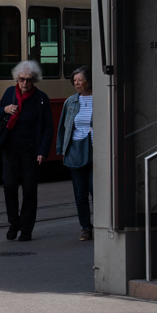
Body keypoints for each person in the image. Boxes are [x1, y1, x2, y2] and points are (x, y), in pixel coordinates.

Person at [0, 60, 52, 242]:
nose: (25, 83)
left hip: (31, 150)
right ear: (16, 79)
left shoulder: (41, 98)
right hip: (10, 149)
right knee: (9, 185)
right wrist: (5, 109)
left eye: (28, 79)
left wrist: (43, 151)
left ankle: (26, 229)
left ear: (35, 80)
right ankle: (14, 222)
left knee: (29, 189)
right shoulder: (9, 93)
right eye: (21, 79)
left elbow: (48, 127)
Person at [55, 66, 94, 241]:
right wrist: (62, 150)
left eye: (80, 80)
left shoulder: (101, 98)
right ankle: (86, 227)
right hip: (76, 150)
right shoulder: (71, 102)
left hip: (96, 149)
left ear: (89, 81)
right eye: (75, 80)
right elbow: (63, 128)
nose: (77, 83)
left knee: (95, 190)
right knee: (80, 193)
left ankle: (102, 224)